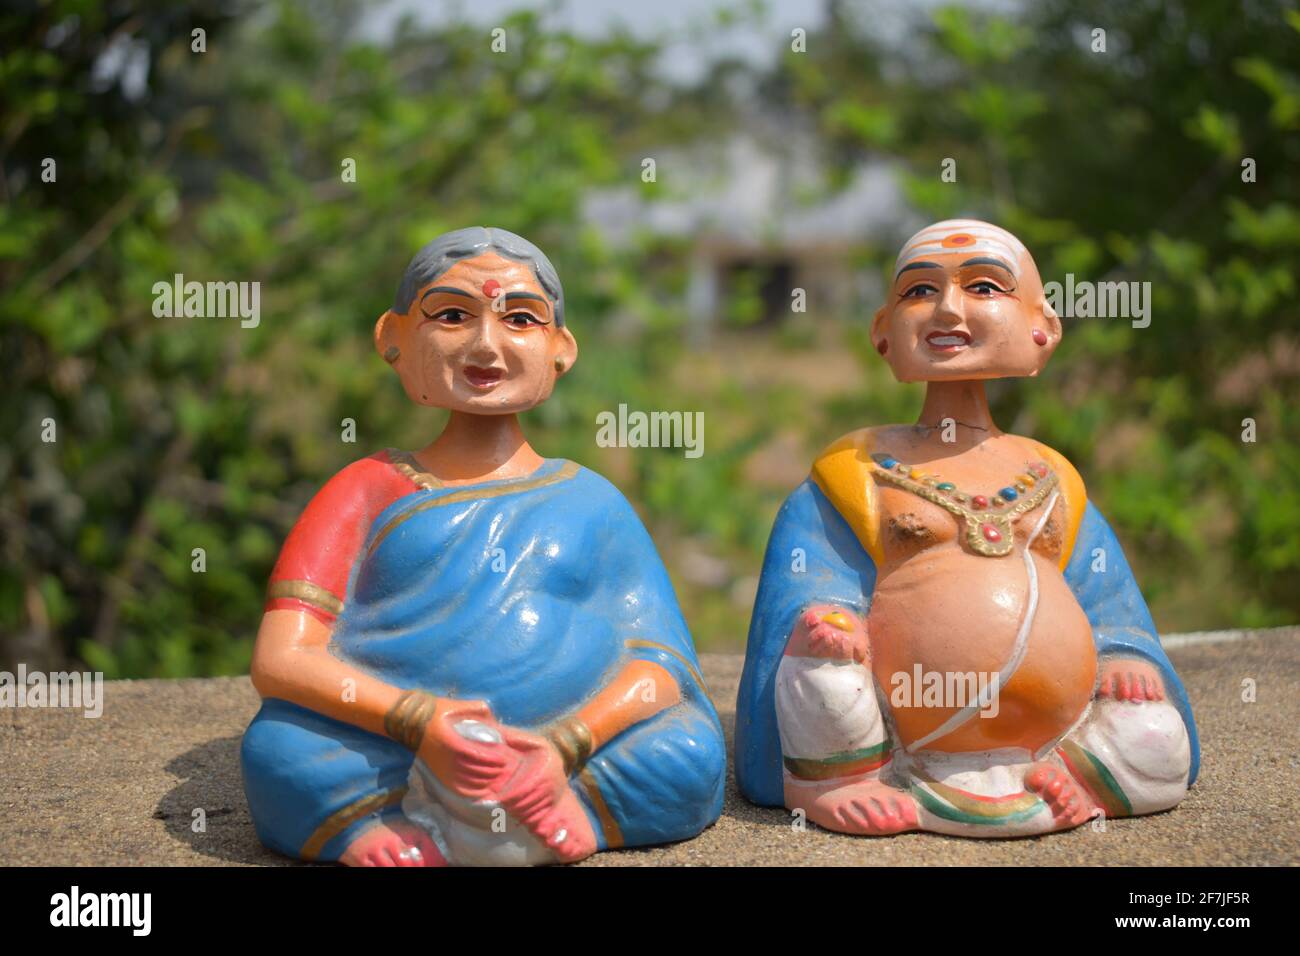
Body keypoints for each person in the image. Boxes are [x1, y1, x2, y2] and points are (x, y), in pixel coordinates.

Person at [242, 227, 725, 865]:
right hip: (395, 747)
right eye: (451, 315)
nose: (486, 345)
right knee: (279, 748)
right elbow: (281, 658)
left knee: (690, 751)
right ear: (395, 338)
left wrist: (567, 744)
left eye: (520, 319)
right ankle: (374, 826)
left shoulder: (593, 500)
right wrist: (420, 720)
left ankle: (575, 802)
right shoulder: (365, 490)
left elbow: (664, 668)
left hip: (568, 753)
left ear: (560, 349)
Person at [736, 219, 1198, 837]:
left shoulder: (1053, 478)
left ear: (1042, 330)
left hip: (1050, 740)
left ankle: (1089, 771)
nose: (947, 308)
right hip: (899, 729)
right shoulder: (854, 473)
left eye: (983, 287)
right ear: (883, 333)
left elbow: (1108, 599)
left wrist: (1124, 655)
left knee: (1157, 736)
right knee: (820, 675)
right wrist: (827, 620)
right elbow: (806, 584)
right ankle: (838, 779)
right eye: (919, 292)